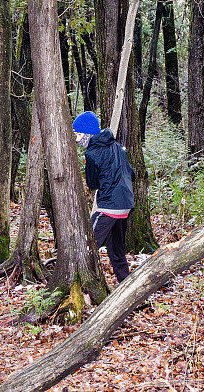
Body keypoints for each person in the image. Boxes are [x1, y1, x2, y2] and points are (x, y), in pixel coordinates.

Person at [72, 111, 135, 283]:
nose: (77, 140)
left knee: (87, 243)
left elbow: (93, 184)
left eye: (78, 134)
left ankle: (79, 283)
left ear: (87, 133)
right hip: (126, 204)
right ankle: (127, 287)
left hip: (109, 206)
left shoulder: (92, 153)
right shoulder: (117, 146)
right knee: (117, 251)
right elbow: (131, 172)